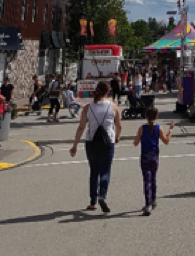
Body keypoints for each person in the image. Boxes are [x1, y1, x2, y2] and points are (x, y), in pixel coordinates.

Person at [70, 80, 122, 213]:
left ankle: (93, 202)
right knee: (105, 171)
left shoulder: (88, 107)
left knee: (94, 171)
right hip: (107, 142)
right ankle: (102, 195)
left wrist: (75, 145)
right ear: (108, 91)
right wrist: (117, 137)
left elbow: (81, 127)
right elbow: (119, 125)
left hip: (91, 142)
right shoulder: (113, 106)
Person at [133, 107, 174, 215]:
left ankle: (147, 204)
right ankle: (154, 199)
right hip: (154, 156)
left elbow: (135, 143)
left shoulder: (142, 128)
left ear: (145, 117)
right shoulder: (158, 128)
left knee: (146, 180)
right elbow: (166, 141)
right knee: (154, 178)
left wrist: (138, 137)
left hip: (145, 156)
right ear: (156, 116)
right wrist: (170, 130)